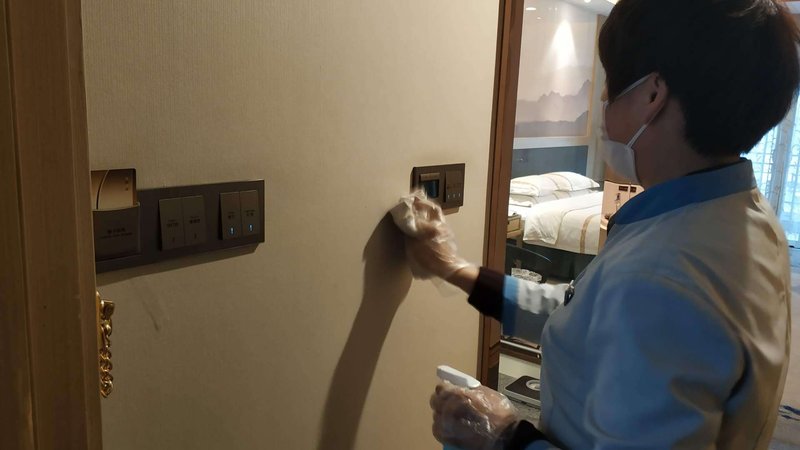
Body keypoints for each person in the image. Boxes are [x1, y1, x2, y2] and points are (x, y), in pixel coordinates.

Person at [398, 1, 800, 448]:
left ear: (652, 95)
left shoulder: (663, 276)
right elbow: (585, 316)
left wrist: (505, 437)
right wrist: (453, 268)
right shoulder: (746, 216)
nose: (604, 99)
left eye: (611, 82)